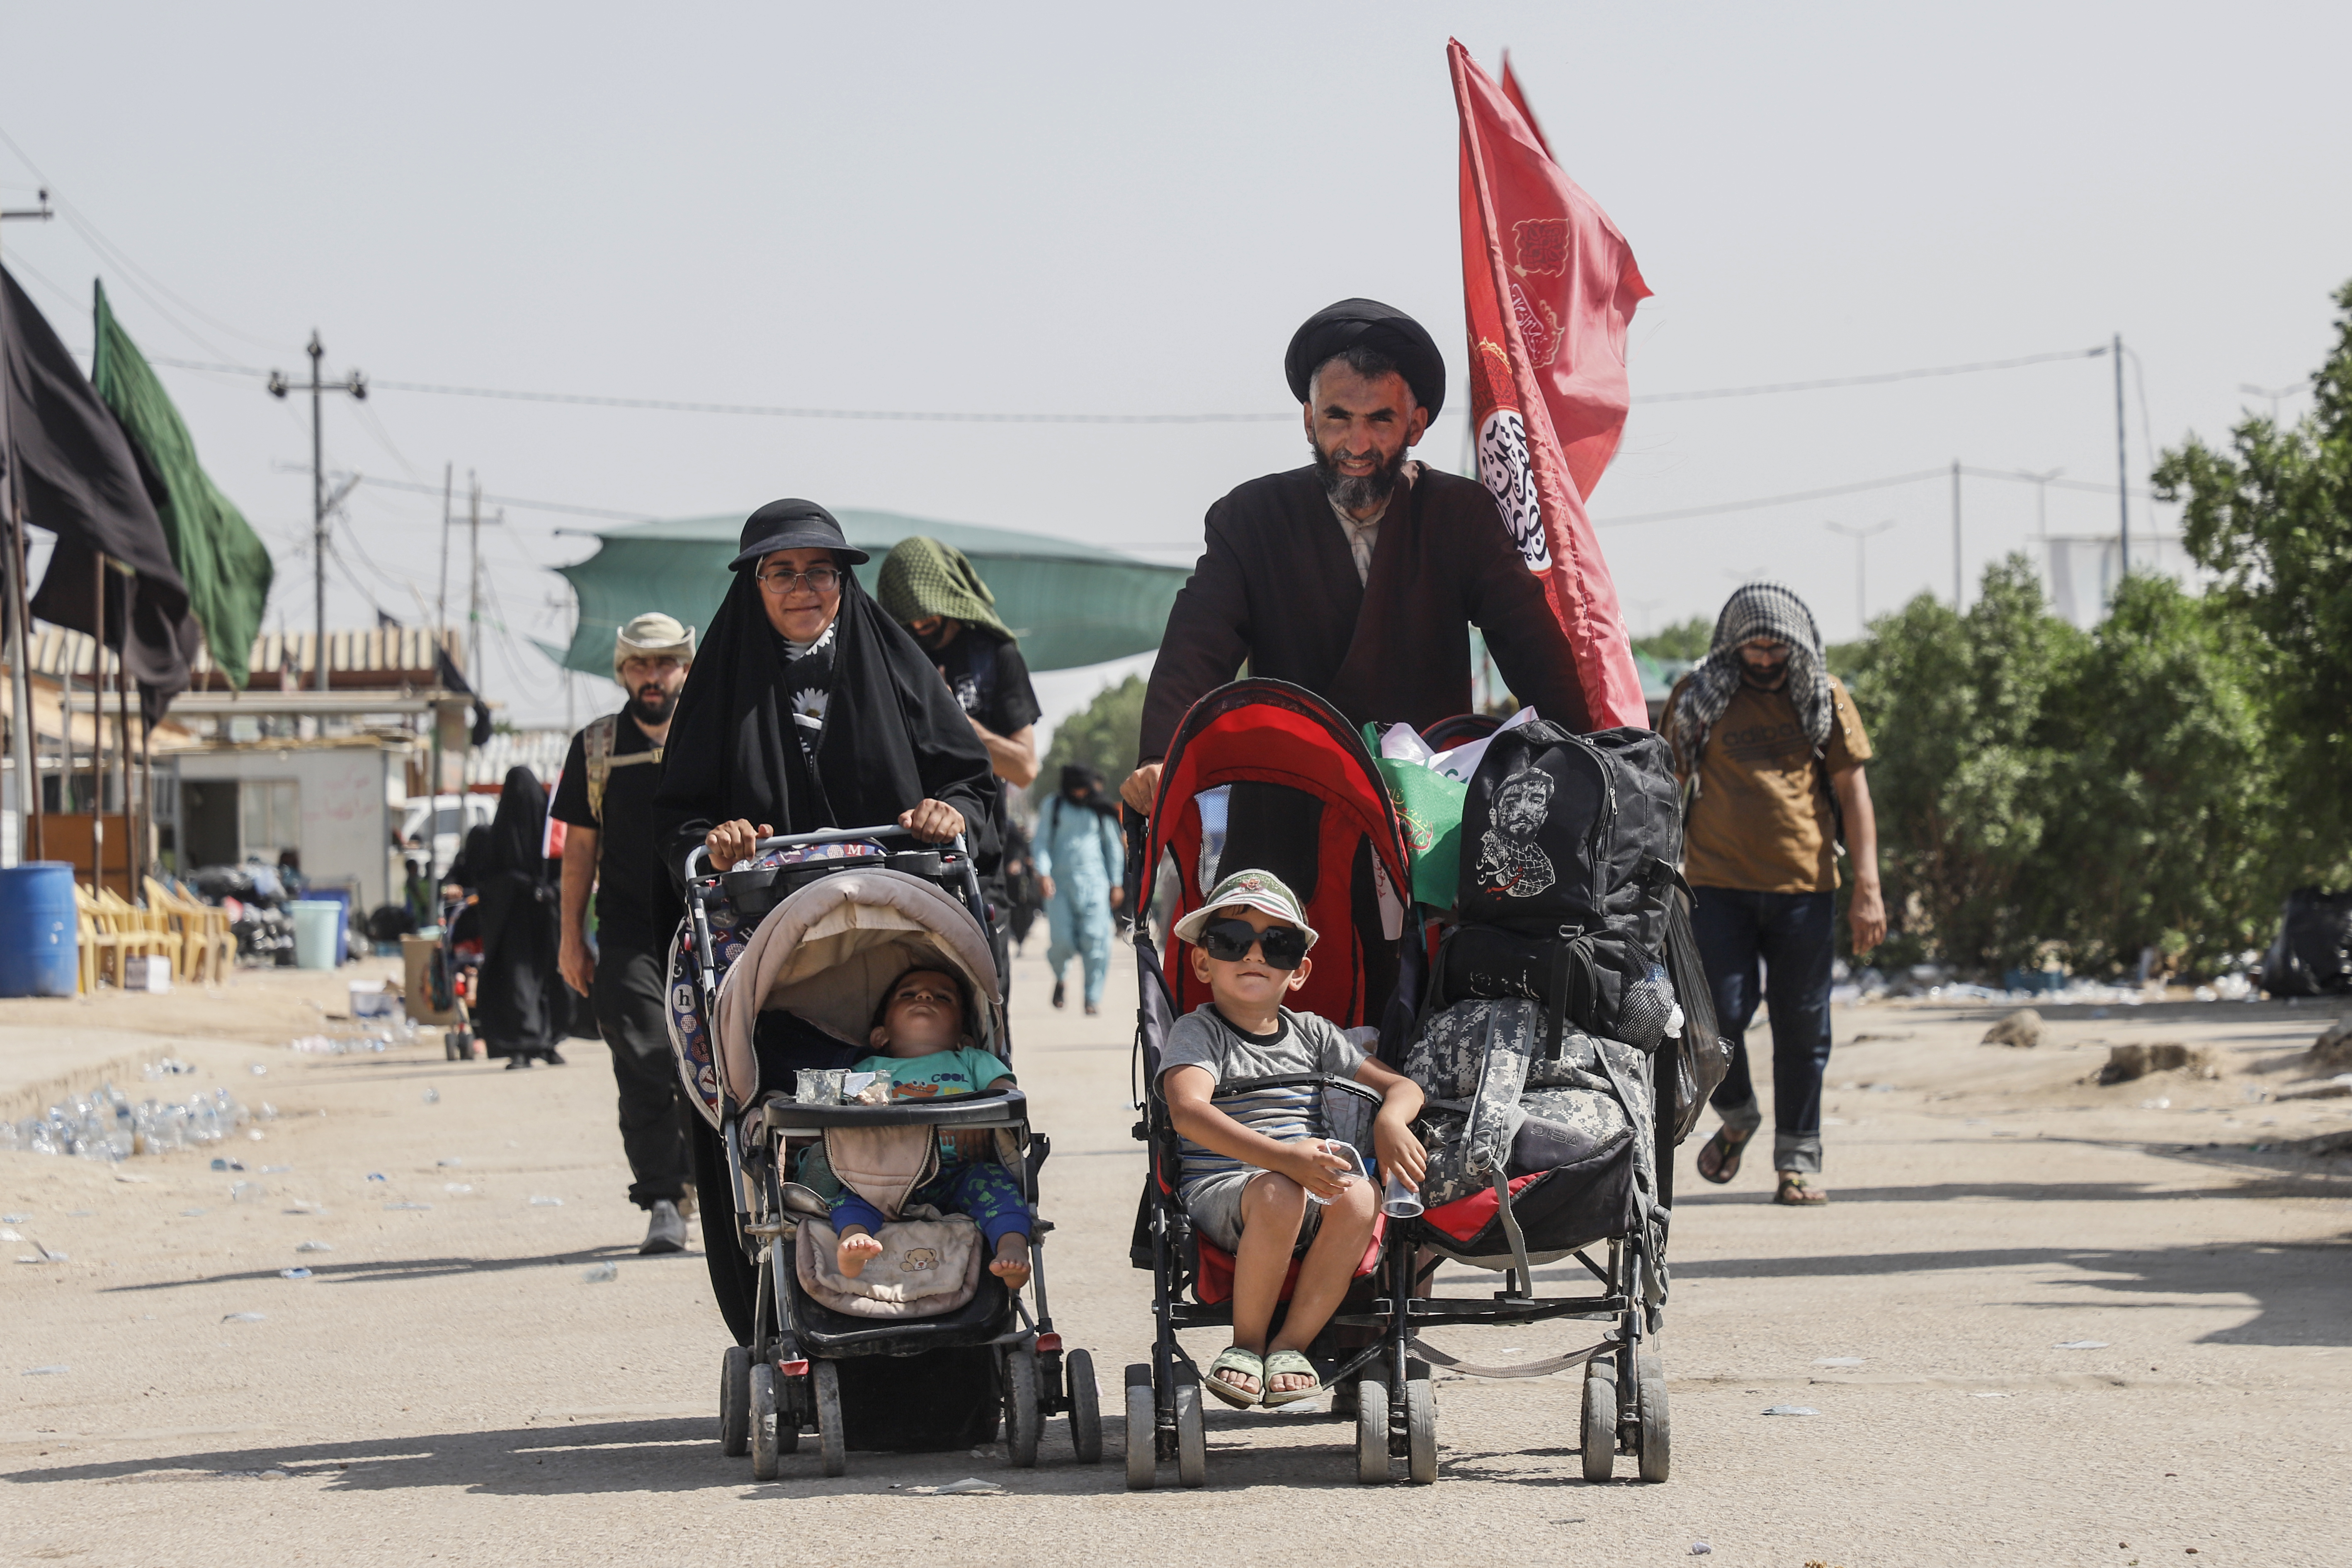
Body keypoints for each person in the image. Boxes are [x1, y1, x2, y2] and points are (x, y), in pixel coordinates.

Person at [651, 498, 997, 1345]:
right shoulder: (722, 685)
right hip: (778, 976)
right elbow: (677, 824)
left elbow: (973, 787)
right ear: (754, 585)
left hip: (902, 945)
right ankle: (784, 1307)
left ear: (845, 581)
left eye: (821, 570)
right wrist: (718, 841)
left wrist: (945, 815)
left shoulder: (896, 667)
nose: (803, 586)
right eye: (782, 571)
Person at [1124, 297, 1594, 818]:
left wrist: (1585, 753)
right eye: (1338, 417)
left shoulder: (1460, 516)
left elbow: (1529, 642)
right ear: (1309, 420)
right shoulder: (1249, 520)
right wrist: (1159, 757)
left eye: (1380, 420)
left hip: (1430, 811)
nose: (1357, 442)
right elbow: (1197, 645)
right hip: (1292, 805)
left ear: (1415, 426)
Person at [1160, 870, 1425, 1408]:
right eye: (1232, 941)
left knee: (1359, 1195)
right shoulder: (1199, 1030)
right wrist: (1284, 1159)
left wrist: (1389, 1120)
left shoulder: (1313, 1034)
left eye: (1276, 944)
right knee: (1280, 1190)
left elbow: (1400, 1086)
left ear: (1298, 971)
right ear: (1203, 961)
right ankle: (1247, 1345)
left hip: (1301, 1179)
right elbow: (1187, 1110)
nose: (1254, 954)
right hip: (1224, 1186)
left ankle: (1290, 1345)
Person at [1660, 583, 1886, 1208]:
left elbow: (1854, 793)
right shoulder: (1697, 698)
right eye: (1754, 645)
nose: (1765, 657)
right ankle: (1737, 1116)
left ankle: (1797, 1163)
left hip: (1805, 888)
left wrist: (1868, 885)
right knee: (1717, 1020)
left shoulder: (1824, 696)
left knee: (1804, 1026)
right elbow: (1664, 785)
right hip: (1717, 886)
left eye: (1775, 645)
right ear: (1734, 641)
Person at [552, 612, 699, 1256]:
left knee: (716, 1066)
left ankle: (718, 1190)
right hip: (628, 936)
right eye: (640, 663)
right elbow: (579, 852)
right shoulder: (596, 747)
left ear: (685, 669)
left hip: (707, 930)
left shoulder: (709, 737)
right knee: (645, 1063)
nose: (652, 675)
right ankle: (664, 1199)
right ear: (623, 671)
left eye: (665, 662)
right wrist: (569, 937)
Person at [877, 536, 1042, 980]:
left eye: (927, 608)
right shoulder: (887, 656)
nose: (919, 621)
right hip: (895, 860)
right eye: (906, 613)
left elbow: (1025, 767)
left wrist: (956, 721)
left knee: (987, 1005)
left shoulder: (994, 655)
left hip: (977, 862)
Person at [818, 966, 1033, 1291]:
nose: (924, 996)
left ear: (964, 1035)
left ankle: (1012, 1246)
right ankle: (855, 1238)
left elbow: (1007, 1097)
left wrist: (982, 1116)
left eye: (942, 997)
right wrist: (856, 1103)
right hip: (885, 1176)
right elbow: (836, 1112)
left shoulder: (971, 1060)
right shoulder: (869, 1068)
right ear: (881, 1035)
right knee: (852, 1196)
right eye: (909, 994)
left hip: (961, 1171)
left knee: (999, 1187)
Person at [472, 767, 572, 1070]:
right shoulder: (495, 839)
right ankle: (522, 1044)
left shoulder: (550, 840)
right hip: (514, 918)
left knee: (546, 978)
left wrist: (548, 891)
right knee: (520, 982)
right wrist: (519, 885)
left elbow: (566, 874)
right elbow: (486, 880)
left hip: (539, 919)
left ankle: (548, 1041)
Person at [1034, 764, 1123, 1015]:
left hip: (1095, 883)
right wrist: (1043, 873)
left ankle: (1092, 997)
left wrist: (1117, 883)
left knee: (1097, 940)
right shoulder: (1054, 806)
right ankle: (1061, 978)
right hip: (1059, 885)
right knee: (1061, 940)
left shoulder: (1100, 808)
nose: (1081, 794)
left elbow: (1113, 847)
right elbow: (1041, 841)